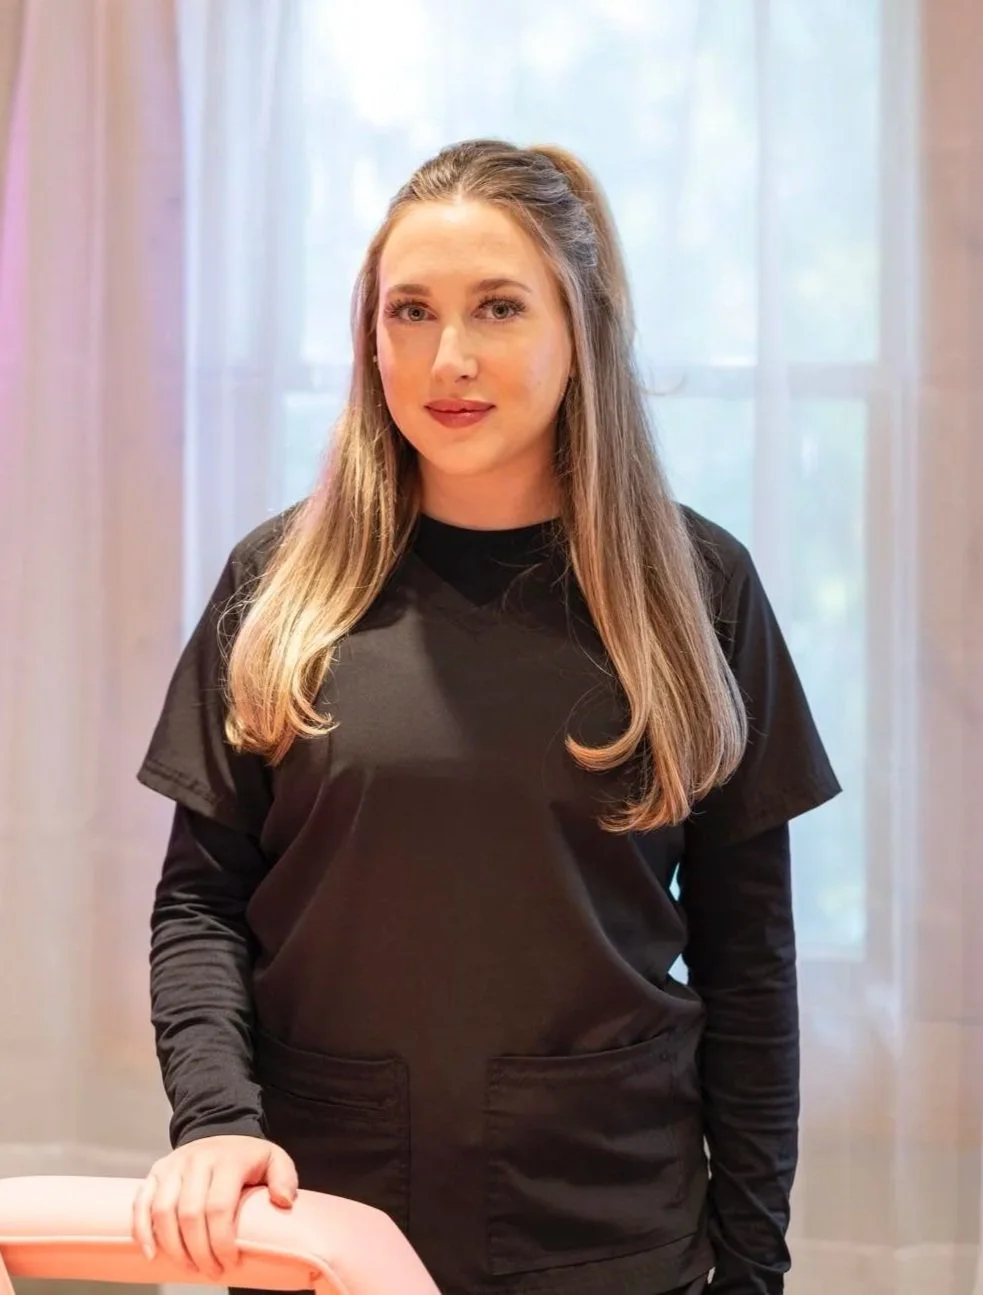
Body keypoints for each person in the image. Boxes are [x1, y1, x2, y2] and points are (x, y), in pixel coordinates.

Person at [131, 138, 840, 1295]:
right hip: (322, 1222)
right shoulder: (277, 586)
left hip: (609, 1229)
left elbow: (748, 958)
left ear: (580, 329)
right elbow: (200, 903)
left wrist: (753, 1268)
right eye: (409, 311)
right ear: (369, 336)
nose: (447, 357)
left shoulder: (696, 588)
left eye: (498, 307)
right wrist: (215, 1121)